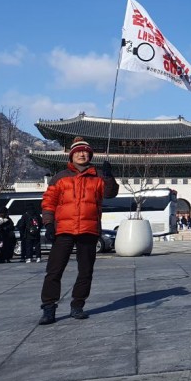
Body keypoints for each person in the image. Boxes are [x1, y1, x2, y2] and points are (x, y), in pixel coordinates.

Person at [38, 137, 119, 325]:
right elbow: (49, 202)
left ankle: (78, 305)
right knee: (54, 270)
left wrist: (108, 176)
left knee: (86, 270)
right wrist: (48, 224)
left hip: (88, 230)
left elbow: (110, 193)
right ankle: (49, 308)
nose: (82, 154)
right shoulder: (60, 177)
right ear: (72, 155)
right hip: (64, 229)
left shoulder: (98, 176)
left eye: (85, 152)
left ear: (90, 155)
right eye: (78, 152)